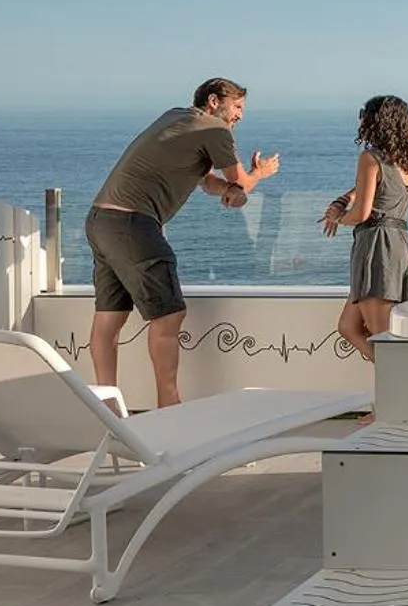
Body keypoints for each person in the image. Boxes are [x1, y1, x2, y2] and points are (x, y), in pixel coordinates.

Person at [86, 78, 281, 408]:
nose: (240, 116)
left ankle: (107, 412)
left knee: (110, 319)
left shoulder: (175, 117)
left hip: (101, 220)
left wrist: (230, 192)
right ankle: (169, 407)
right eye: (237, 107)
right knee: (168, 317)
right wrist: (258, 174)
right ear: (215, 101)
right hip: (134, 224)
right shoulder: (213, 129)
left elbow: (205, 181)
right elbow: (241, 179)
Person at [322, 95, 408, 381]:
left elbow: (362, 213)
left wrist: (337, 217)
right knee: (348, 326)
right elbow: (369, 191)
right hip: (400, 242)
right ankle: (399, 393)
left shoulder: (371, 159)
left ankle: (395, 403)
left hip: (377, 245)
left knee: (384, 339)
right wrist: (342, 200)